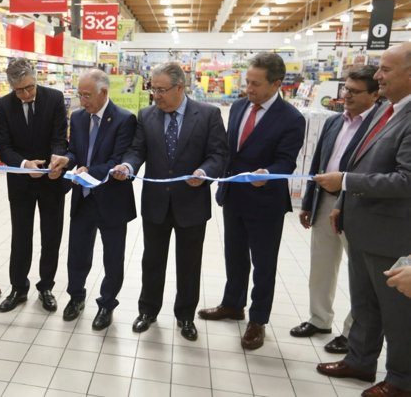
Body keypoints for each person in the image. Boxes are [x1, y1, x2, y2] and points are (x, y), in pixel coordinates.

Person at [315, 43, 411, 397]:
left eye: (386, 69)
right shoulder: (386, 110)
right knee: (364, 304)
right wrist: (344, 201)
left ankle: (401, 380)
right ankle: (360, 359)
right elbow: (361, 160)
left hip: (392, 234)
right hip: (361, 225)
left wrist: (346, 182)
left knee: (398, 314)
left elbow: (407, 180)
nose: (378, 76)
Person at [111, 61, 229, 341]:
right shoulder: (147, 115)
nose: (157, 96)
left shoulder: (209, 114)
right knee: (152, 260)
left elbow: (218, 155)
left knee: (189, 263)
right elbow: (137, 150)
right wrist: (127, 167)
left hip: (192, 204)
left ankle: (185, 316)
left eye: (162, 90)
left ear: (180, 87)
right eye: (153, 90)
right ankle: (148, 311)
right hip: (156, 203)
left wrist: (205, 172)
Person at [198, 52, 305, 350]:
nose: (249, 89)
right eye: (247, 82)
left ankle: (257, 320)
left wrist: (268, 173)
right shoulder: (239, 106)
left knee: (263, 262)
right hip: (234, 195)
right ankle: (232, 304)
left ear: (277, 84)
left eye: (256, 84)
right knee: (234, 255)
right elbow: (230, 151)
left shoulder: (292, 119)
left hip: (265, 201)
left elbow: (287, 161)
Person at [289, 65, 379, 354]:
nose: (346, 95)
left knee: (360, 274)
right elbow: (318, 163)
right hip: (325, 200)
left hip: (357, 204)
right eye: (345, 89)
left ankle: (352, 331)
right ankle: (319, 319)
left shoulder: (379, 125)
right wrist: (307, 202)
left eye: (354, 91)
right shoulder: (333, 122)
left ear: (374, 94)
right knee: (322, 264)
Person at [50, 69, 136, 329]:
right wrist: (67, 161)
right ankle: (76, 297)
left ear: (104, 93)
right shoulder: (77, 118)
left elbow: (116, 160)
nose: (82, 101)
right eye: (80, 95)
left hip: (111, 201)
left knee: (113, 258)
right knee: (77, 253)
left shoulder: (124, 119)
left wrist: (91, 171)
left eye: (87, 95)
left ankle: (107, 304)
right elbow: (76, 152)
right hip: (83, 198)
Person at [0, 58, 68, 313]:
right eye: (19, 90)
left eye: (30, 87)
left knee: (51, 237)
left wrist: (56, 161)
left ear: (36, 79)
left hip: (52, 180)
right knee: (21, 237)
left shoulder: (55, 99)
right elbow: (2, 146)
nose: (26, 94)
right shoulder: (3, 106)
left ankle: (46, 286)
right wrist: (25, 164)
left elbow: (60, 138)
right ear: (11, 87)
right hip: (21, 184)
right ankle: (18, 288)